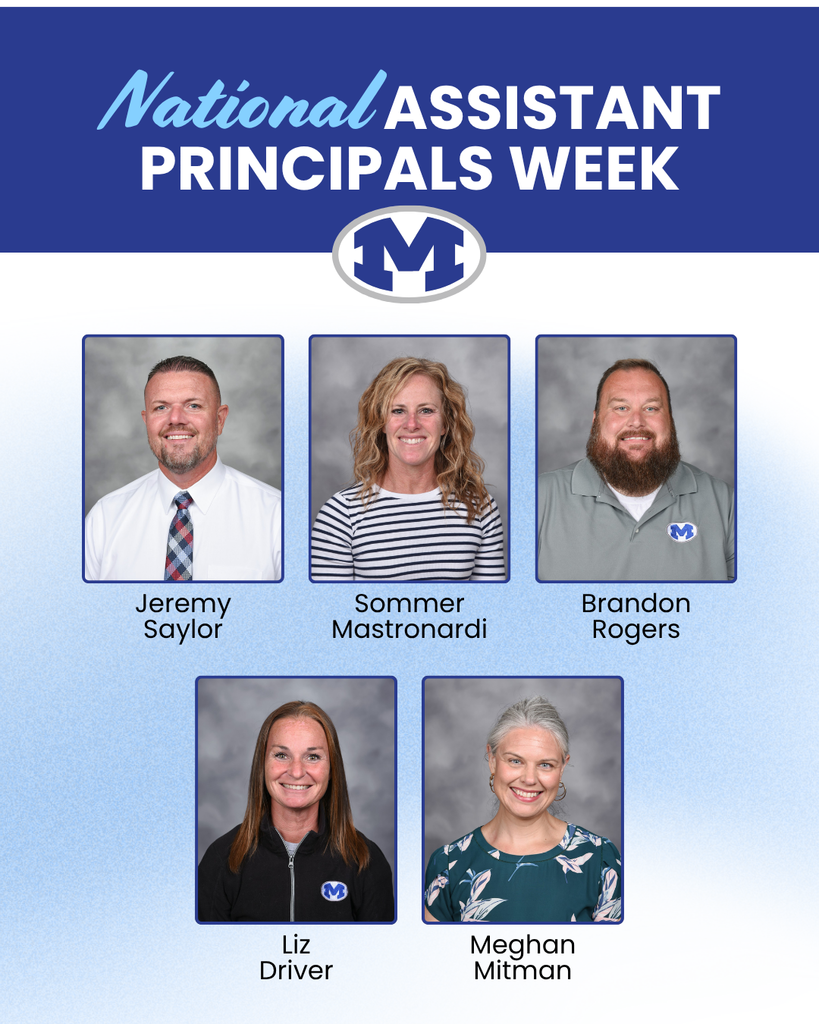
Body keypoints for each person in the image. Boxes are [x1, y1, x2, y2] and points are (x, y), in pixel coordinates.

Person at [424, 696, 620, 923]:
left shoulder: (600, 859)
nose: (529, 779)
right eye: (515, 761)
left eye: (545, 765)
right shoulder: (448, 864)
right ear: (492, 759)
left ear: (563, 767)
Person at [84, 355, 281, 581]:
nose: (175, 418)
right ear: (146, 420)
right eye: (161, 407)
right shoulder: (105, 519)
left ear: (220, 420)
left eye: (193, 405)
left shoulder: (276, 517)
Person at [537, 358, 734, 580]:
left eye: (651, 408)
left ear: (670, 420)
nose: (637, 421)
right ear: (595, 420)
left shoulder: (726, 503)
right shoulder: (538, 499)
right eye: (621, 408)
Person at [311, 356, 505, 581]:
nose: (412, 424)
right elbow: (330, 615)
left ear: (446, 424)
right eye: (398, 411)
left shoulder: (480, 507)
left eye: (426, 410)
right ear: (381, 422)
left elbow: (492, 612)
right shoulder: (340, 515)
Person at [198, 700, 394, 922]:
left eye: (313, 757)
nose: (297, 771)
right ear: (262, 764)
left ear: (332, 769)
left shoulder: (366, 862)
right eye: (281, 755)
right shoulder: (221, 859)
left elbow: (380, 956)